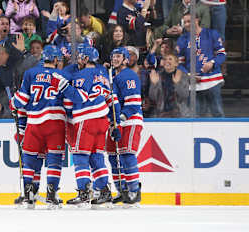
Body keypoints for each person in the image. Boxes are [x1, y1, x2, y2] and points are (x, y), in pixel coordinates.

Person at [9, 45, 70, 208]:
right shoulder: (64, 75)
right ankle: (51, 195)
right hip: (55, 123)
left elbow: (20, 101)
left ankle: (28, 194)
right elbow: (69, 103)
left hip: (34, 122)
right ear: (56, 60)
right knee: (54, 160)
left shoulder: (30, 73)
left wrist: (12, 103)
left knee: (29, 159)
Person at [62, 45, 118, 207]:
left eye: (80, 57)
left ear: (86, 59)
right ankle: (104, 191)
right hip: (103, 120)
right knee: (96, 156)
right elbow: (112, 101)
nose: (78, 60)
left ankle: (84, 192)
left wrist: (66, 90)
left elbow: (76, 98)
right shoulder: (103, 76)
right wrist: (115, 122)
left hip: (86, 118)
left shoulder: (80, 75)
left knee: (80, 156)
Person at [106, 47, 143, 206]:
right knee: (114, 156)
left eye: (119, 56)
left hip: (130, 121)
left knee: (127, 155)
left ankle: (134, 191)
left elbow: (134, 104)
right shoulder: (113, 76)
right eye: (113, 56)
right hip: (116, 122)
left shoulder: (129, 75)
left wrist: (120, 119)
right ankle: (122, 191)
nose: (115, 58)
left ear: (126, 59)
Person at [176, 13, 226, 117]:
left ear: (197, 20)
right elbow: (180, 64)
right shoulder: (182, 39)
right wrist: (189, 75)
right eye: (184, 22)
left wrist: (212, 63)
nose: (187, 24)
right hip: (193, 84)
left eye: (189, 21)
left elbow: (221, 54)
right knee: (195, 117)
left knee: (217, 113)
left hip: (213, 80)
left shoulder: (211, 34)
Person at [148, 52, 189, 117]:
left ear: (176, 63)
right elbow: (153, 97)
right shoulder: (158, 75)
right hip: (161, 114)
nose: (167, 61)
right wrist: (154, 84)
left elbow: (184, 95)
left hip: (180, 114)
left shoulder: (182, 75)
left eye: (170, 59)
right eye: (165, 59)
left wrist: (177, 83)